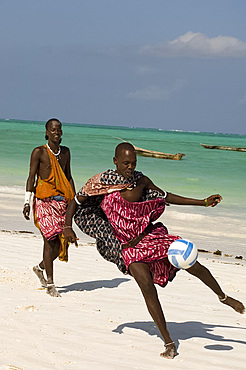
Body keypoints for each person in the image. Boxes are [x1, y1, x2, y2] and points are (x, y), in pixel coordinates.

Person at [64, 142, 244, 359]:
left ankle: (223, 296)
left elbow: (165, 197)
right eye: (125, 163)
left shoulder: (141, 180)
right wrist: (67, 227)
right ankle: (169, 342)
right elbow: (76, 200)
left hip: (149, 236)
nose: (130, 167)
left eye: (133, 163)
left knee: (190, 262)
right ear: (115, 161)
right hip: (128, 248)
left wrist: (203, 202)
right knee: (147, 288)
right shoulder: (101, 183)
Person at [23, 118, 75, 297]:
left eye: (59, 129)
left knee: (59, 244)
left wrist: (74, 202)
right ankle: (51, 284)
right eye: (53, 129)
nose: (56, 132)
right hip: (43, 202)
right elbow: (31, 178)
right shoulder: (39, 152)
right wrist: (27, 202)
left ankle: (39, 268)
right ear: (46, 132)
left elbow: (68, 177)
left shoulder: (66, 152)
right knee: (49, 241)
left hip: (61, 203)